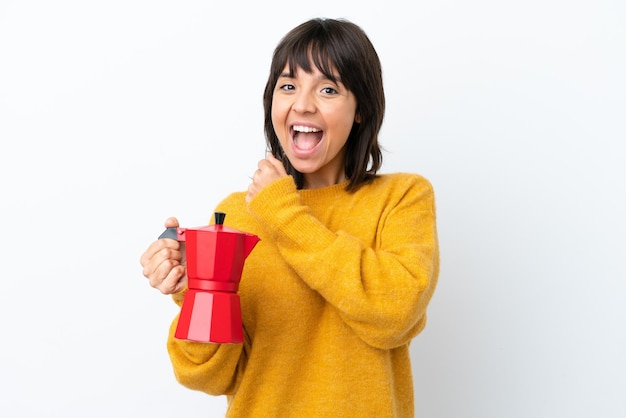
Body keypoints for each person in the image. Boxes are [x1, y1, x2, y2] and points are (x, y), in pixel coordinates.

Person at [140, 17, 439, 418]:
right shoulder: (238, 213)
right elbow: (205, 377)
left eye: (328, 89)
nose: (302, 103)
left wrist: (283, 214)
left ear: (361, 110)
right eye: (288, 86)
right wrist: (199, 290)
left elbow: (395, 315)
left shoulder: (401, 198)